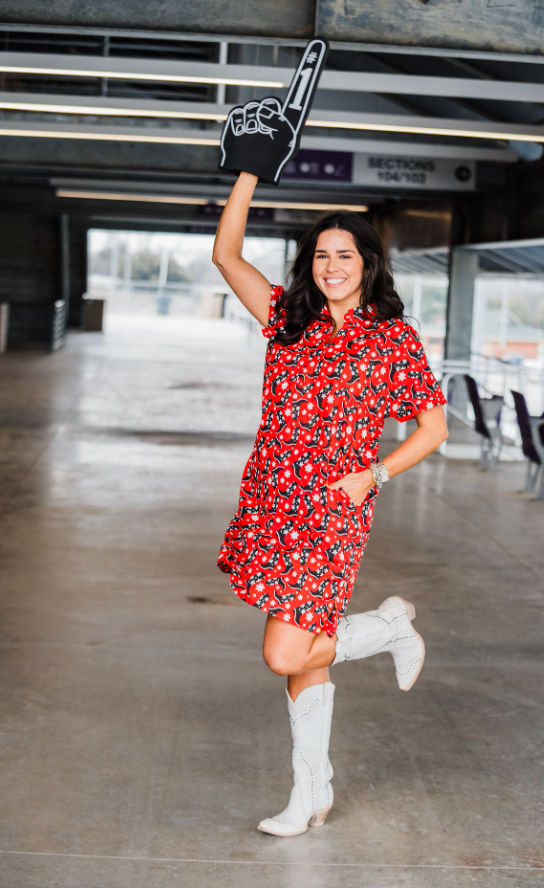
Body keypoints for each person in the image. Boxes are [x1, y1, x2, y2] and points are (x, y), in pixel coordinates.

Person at [212, 170, 449, 837]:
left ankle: (387, 629)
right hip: (270, 505)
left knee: (285, 654)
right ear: (309, 265)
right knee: (303, 653)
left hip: (330, 514)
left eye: (346, 254)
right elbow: (226, 255)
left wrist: (374, 475)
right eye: (322, 254)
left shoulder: (391, 340)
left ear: (369, 264)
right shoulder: (288, 319)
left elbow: (433, 430)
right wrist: (252, 170)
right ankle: (310, 793)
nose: (333, 265)